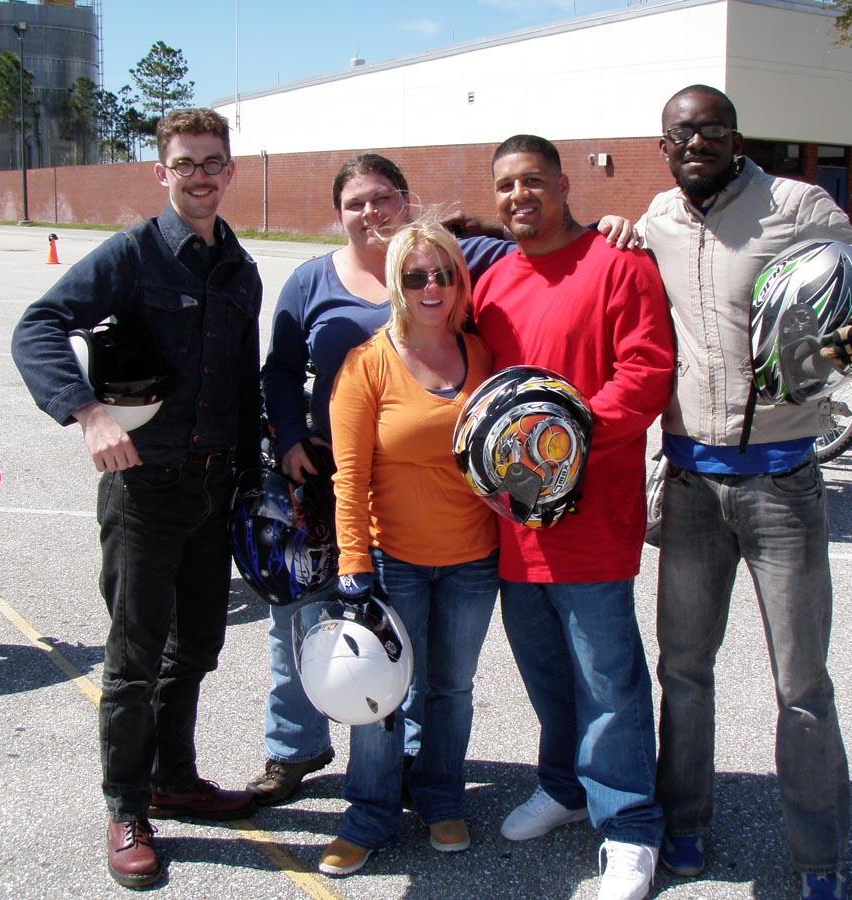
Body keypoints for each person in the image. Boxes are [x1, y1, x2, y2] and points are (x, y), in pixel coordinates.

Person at [252, 153, 638, 806]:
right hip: (335, 480)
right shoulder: (313, 282)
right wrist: (289, 436)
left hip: (451, 521)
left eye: (383, 198)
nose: (371, 212)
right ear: (338, 214)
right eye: (355, 203)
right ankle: (296, 749)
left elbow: (539, 243)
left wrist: (605, 227)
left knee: (435, 672)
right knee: (309, 626)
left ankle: (423, 775)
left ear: (406, 202)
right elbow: (281, 368)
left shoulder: (456, 265)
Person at [636, 84, 852, 900]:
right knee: (683, 671)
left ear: (737, 138)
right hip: (691, 486)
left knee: (802, 686)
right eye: (681, 133)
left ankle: (819, 856)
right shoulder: (657, 218)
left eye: (712, 130)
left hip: (783, 488)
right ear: (664, 146)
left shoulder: (796, 205)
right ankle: (684, 824)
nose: (696, 142)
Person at [11, 108, 261, 889]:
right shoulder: (133, 254)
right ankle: (125, 807)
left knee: (198, 646)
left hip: (214, 488)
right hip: (145, 490)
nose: (200, 176)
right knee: (134, 658)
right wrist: (86, 414)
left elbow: (241, 380)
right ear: (162, 172)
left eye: (212, 162)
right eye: (185, 163)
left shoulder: (239, 267)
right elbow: (39, 326)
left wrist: (254, 477)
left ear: (229, 170)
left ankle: (173, 778)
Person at [470, 134, 675, 900]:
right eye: (505, 186)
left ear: (562, 186)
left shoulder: (619, 264)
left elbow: (646, 373)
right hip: (514, 526)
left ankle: (629, 826)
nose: (518, 196)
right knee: (547, 675)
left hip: (592, 522)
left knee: (607, 683)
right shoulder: (492, 283)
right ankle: (563, 786)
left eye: (532, 181)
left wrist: (563, 440)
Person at [317, 220, 501, 876]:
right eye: (416, 275)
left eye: (444, 274)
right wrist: (353, 564)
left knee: (451, 688)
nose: (432, 287)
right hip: (391, 562)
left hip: (473, 560)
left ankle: (440, 795)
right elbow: (348, 477)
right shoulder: (366, 364)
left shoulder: (481, 354)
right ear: (396, 283)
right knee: (381, 694)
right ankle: (368, 814)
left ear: (459, 281)